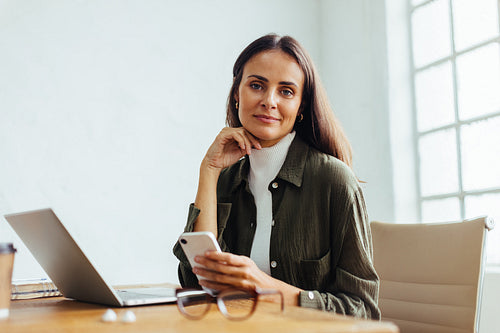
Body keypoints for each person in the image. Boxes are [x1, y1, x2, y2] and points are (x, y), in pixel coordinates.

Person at [173, 33, 380, 319]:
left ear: (301, 106)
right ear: (237, 94)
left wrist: (268, 287)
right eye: (257, 85)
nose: (269, 101)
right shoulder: (226, 178)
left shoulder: (334, 181)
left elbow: (364, 310)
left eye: (286, 91)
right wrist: (209, 171)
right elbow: (195, 282)